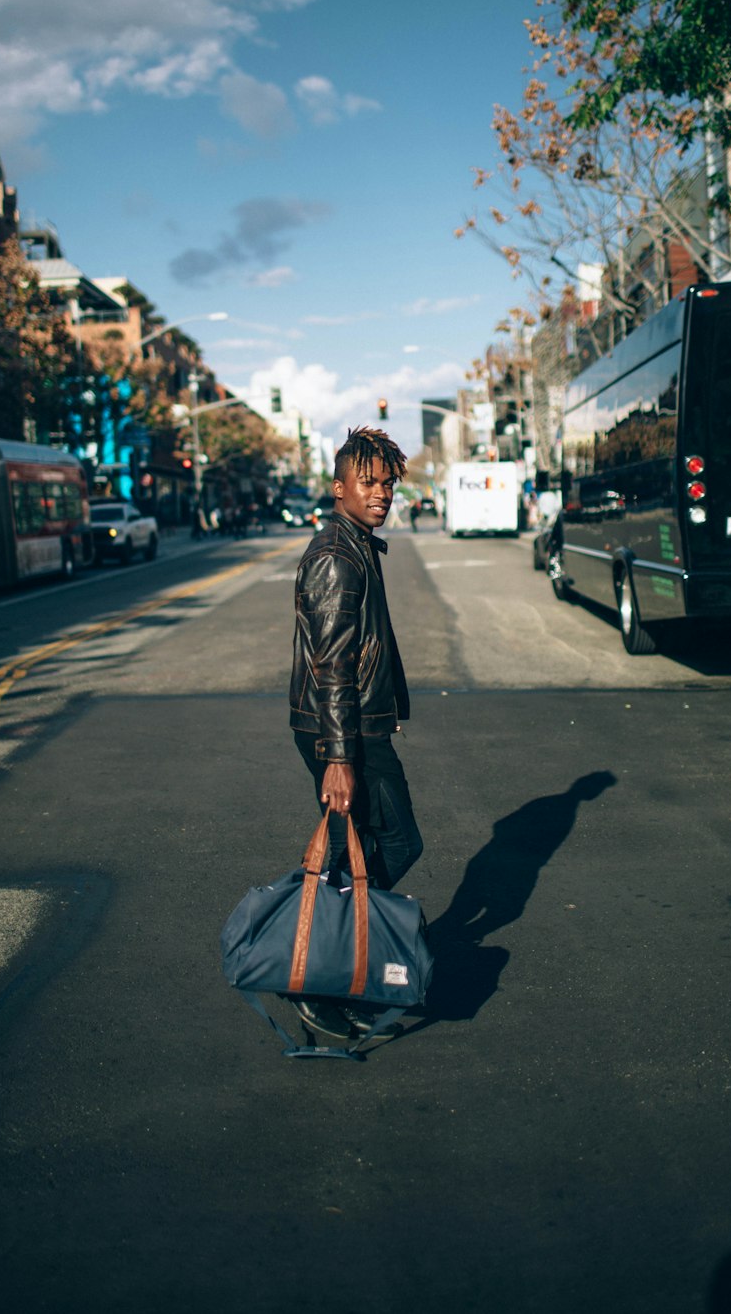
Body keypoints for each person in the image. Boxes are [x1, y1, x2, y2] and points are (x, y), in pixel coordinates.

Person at [289, 426, 423, 1040]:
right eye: (367, 482)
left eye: (387, 482)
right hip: (344, 735)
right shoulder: (336, 558)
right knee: (386, 845)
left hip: (359, 728)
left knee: (370, 850)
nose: (381, 492)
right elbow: (332, 667)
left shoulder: (359, 544)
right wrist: (339, 758)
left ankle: (338, 957)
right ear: (338, 487)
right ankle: (317, 970)